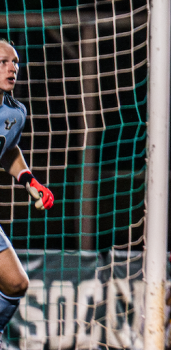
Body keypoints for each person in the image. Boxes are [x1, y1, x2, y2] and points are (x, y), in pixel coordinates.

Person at [0, 39, 54, 335]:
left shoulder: (14, 113)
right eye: (3, 62)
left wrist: (29, 181)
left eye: (16, 62)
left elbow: (8, 150)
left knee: (16, 282)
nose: (13, 68)